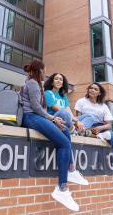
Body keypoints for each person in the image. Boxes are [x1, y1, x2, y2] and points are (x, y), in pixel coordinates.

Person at [21, 60, 88, 211]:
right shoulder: (32, 82)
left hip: (37, 117)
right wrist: (52, 118)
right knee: (64, 143)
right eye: (45, 70)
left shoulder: (35, 84)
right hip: (30, 117)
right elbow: (35, 107)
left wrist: (54, 120)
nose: (46, 73)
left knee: (63, 129)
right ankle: (62, 188)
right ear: (40, 70)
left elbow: (40, 108)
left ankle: (71, 169)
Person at [75, 82, 113, 196]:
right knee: (90, 118)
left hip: (100, 127)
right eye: (91, 88)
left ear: (99, 93)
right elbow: (76, 118)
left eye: (95, 89)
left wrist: (100, 127)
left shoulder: (103, 106)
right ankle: (93, 134)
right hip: (84, 124)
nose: (92, 90)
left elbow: (109, 125)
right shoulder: (81, 101)